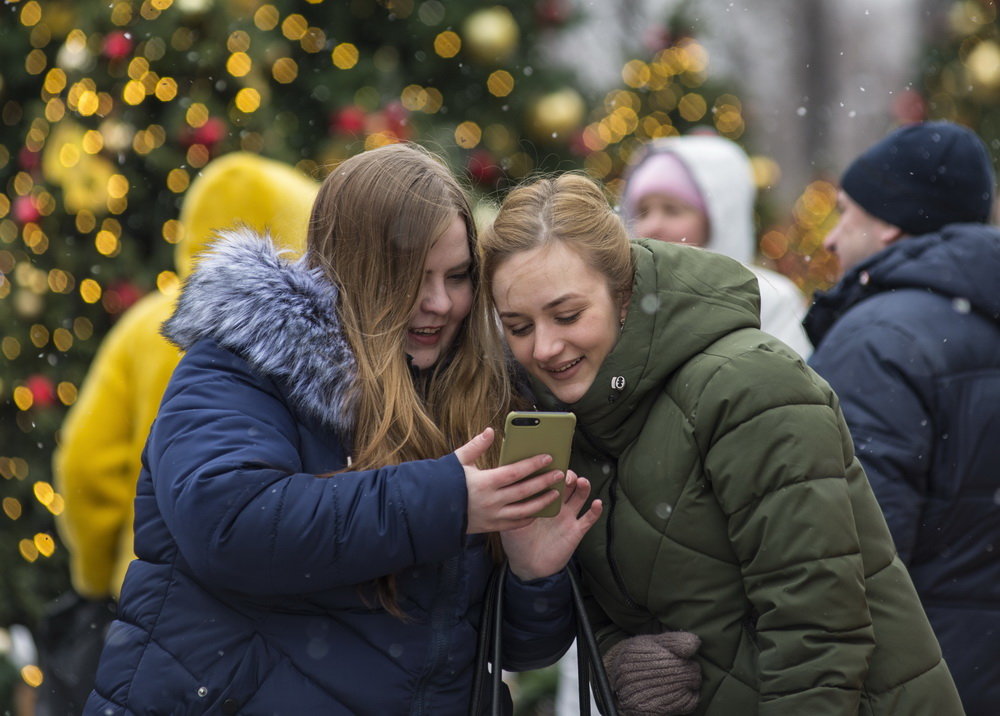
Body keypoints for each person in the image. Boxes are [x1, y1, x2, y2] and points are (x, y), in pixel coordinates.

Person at [85, 143, 601, 714]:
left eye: (458, 276)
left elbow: (504, 648)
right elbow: (229, 524)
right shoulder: (246, 364)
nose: (439, 302)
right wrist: (445, 500)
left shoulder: (476, 394)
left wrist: (533, 576)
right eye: (411, 277)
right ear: (353, 269)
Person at [479, 172, 964, 715]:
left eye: (568, 315)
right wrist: (623, 660)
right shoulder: (569, 414)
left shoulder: (749, 386)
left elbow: (818, 626)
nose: (544, 347)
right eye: (518, 326)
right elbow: (612, 600)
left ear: (623, 295)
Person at [46, 152, 318, 713]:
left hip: (151, 608)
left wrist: (98, 577)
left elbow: (87, 465)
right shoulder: (317, 345)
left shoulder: (147, 328)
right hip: (282, 615)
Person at [804, 120, 1000, 716]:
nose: (832, 238)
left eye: (845, 213)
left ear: (890, 222)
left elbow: (847, 557)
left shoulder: (875, 342)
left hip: (919, 681)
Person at [620, 134, 812, 358]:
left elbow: (785, 385)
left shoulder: (769, 300)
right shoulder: (625, 303)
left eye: (672, 210)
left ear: (718, 219)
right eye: (643, 211)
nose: (652, 226)